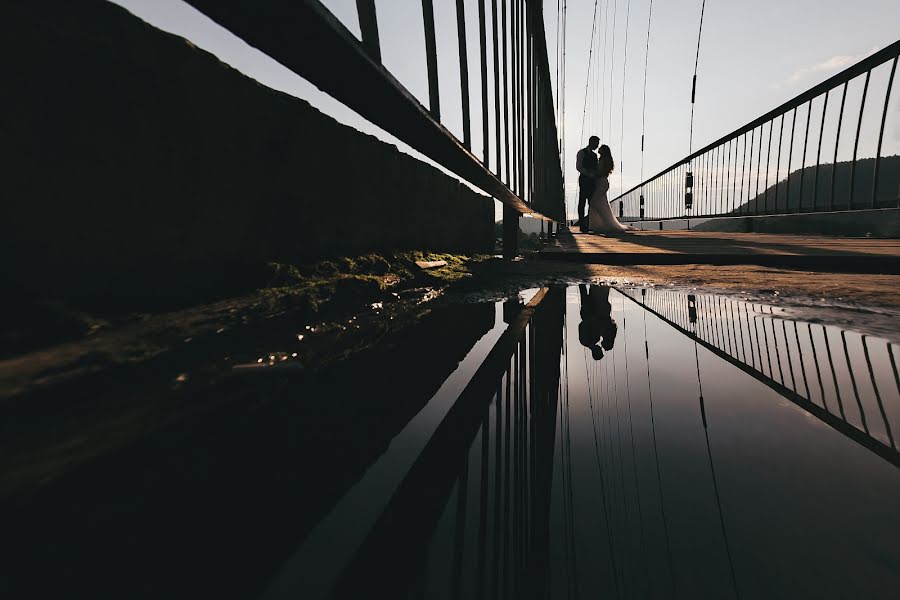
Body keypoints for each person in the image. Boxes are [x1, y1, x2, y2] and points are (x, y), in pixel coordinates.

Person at [588, 144, 632, 233]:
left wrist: (591, 173)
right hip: (603, 182)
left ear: (603, 150)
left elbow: (600, 172)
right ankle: (603, 224)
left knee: (594, 203)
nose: (598, 149)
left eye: (600, 148)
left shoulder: (603, 160)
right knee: (601, 203)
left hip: (601, 183)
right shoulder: (606, 160)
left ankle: (602, 224)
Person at [578, 284, 617, 360]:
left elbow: (582, 325)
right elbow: (582, 325)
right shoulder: (594, 339)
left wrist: (592, 320)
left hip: (588, 312)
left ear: (597, 352)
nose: (600, 348)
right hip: (589, 311)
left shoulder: (587, 340)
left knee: (589, 291)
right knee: (588, 291)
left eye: (600, 351)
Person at [575, 136, 600, 232]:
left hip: (592, 181)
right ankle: (582, 225)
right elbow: (579, 167)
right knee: (582, 202)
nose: (597, 146)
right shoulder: (581, 153)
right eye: (596, 144)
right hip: (585, 179)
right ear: (591, 142)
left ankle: (589, 224)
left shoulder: (594, 155)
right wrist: (589, 174)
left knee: (592, 203)